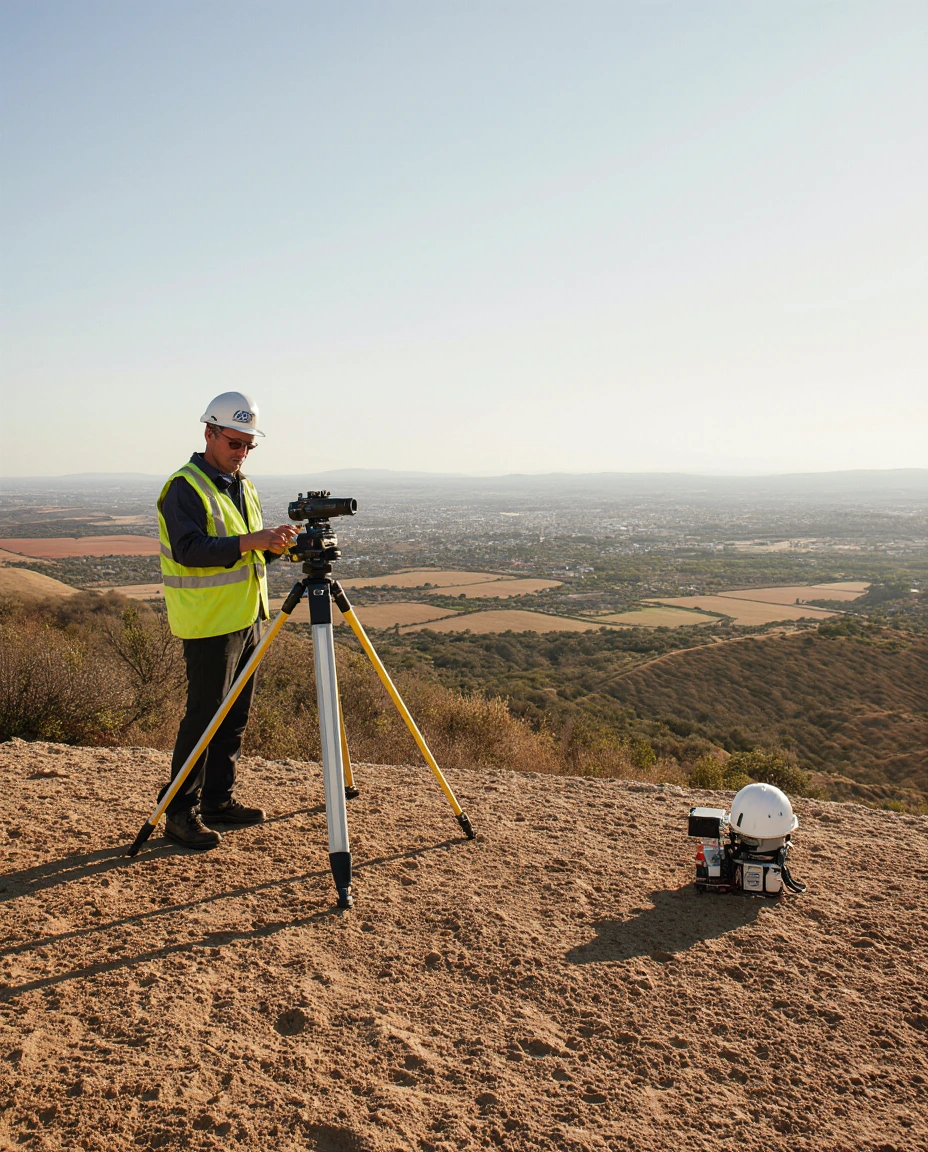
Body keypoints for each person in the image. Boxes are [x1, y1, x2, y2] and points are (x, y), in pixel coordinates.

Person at [156, 391, 298, 849]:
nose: (241, 453)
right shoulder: (184, 487)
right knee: (204, 718)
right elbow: (190, 550)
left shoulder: (244, 486)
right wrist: (251, 540)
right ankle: (178, 812)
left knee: (234, 716)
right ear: (209, 433)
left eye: (248, 445)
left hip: (249, 615)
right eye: (234, 443)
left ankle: (218, 800)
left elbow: (247, 555)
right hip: (208, 622)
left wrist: (272, 547)